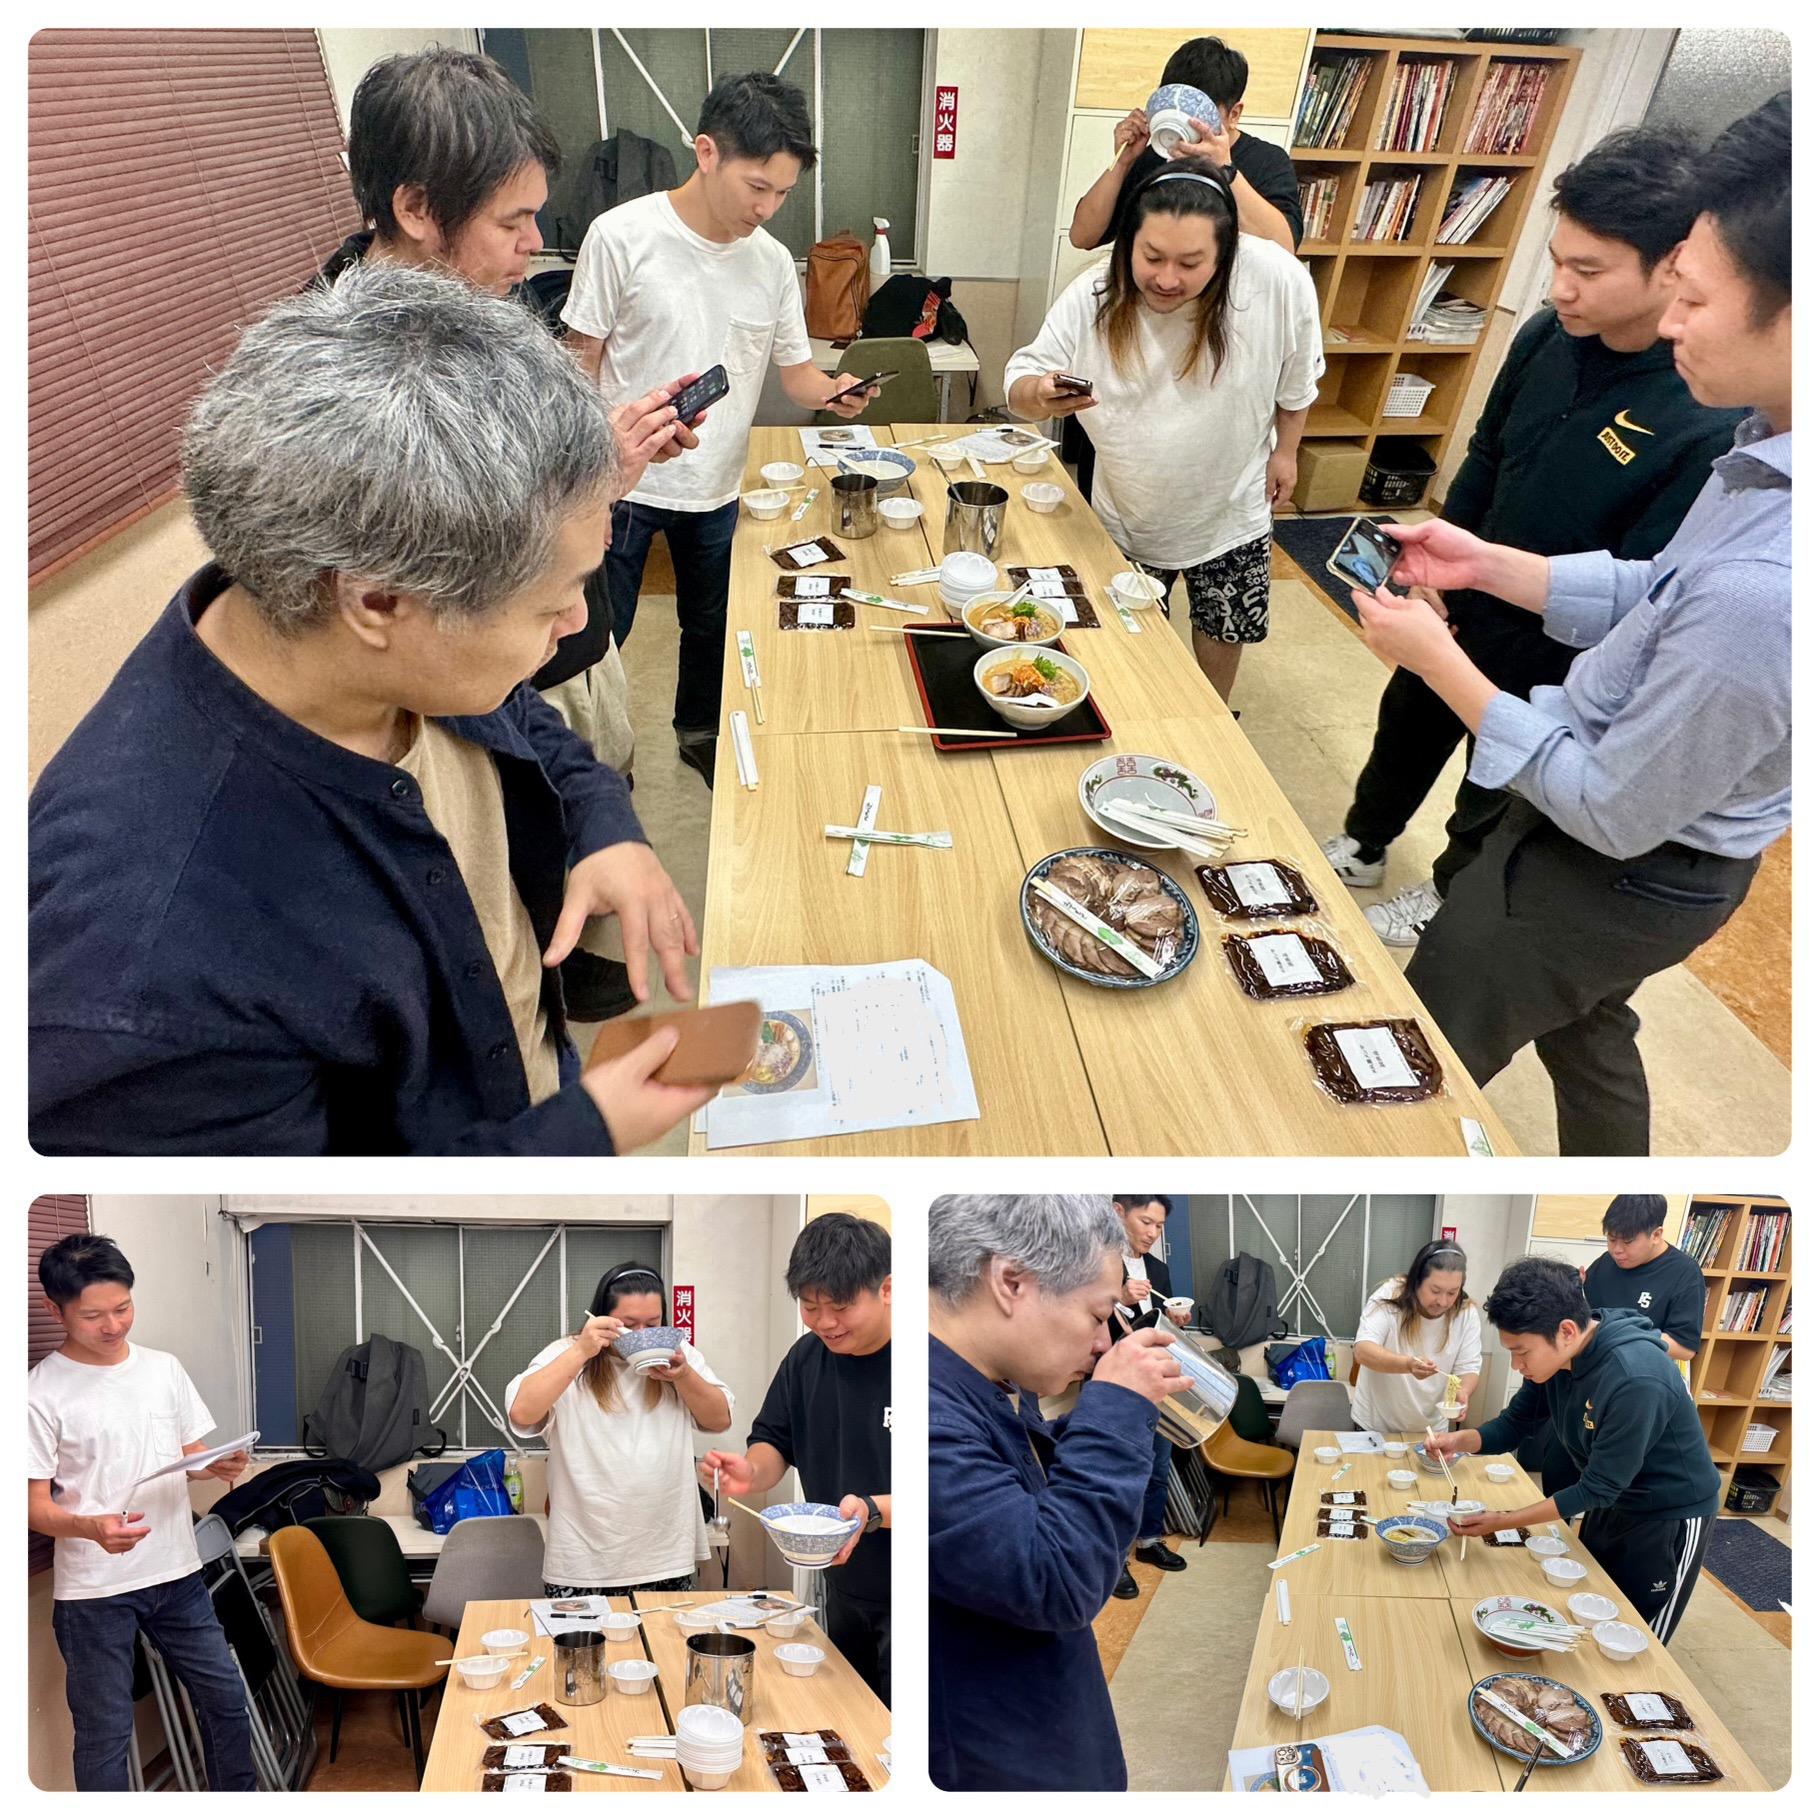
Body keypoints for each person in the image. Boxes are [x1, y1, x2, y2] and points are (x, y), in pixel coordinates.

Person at [30, 265, 713, 1156]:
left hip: (519, 1070)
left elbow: (522, 722)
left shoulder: (364, 639)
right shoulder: (146, 975)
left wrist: (604, 822)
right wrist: (590, 1128)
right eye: (553, 604)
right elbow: (364, 1185)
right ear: (378, 602)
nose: (578, 622)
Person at [1352, 94, 1791, 1156]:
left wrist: (1444, 664)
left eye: (1691, 296)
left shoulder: (1767, 584)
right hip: (1626, 831)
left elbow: (1607, 807)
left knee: (1412, 1055)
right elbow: (1657, 595)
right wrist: (1489, 562)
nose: (1674, 323)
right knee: (1588, 1022)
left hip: (1615, 861)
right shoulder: (1760, 448)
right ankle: (1616, 1182)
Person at [321, 45, 704, 1021]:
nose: (536, 242)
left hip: (569, 636)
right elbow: (430, 591)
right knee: (515, 887)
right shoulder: (346, 375)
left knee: (595, 794)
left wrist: (606, 466)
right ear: (415, 208)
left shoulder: (480, 307)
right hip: (495, 683)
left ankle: (580, 960)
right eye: (513, 220)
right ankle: (555, 982)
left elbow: (523, 492)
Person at [1321, 128, 1747, 946]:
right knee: (1405, 725)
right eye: (1556, 261)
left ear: (1672, 267)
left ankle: (1446, 892)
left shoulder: (1703, 410)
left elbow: (1644, 587)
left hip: (1558, 645)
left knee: (1500, 776)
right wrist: (1441, 567)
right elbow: (1485, 452)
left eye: (1586, 271)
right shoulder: (1547, 336)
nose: (1558, 289)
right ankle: (1364, 842)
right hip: (1463, 584)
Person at [562, 72, 877, 788]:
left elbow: (795, 376)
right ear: (705, 152)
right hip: (623, 478)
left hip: (714, 484)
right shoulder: (621, 236)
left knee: (709, 626)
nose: (767, 209)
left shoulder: (768, 262)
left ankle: (696, 731)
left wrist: (836, 393)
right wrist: (588, 467)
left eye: (783, 194)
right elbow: (577, 369)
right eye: (756, 186)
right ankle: (597, 763)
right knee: (597, 636)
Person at [1007, 158, 1321, 700]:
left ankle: (1214, 723)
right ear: (1129, 241)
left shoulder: (1276, 279)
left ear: (1226, 255)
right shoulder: (1095, 293)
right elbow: (1018, 383)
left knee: (1221, 636)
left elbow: (1299, 380)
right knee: (1127, 655)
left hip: (1231, 509)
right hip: (1127, 511)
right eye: (1151, 257)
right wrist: (1039, 393)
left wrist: (1286, 451)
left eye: (1190, 262)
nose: (1166, 279)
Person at [929, 1194, 1190, 1792]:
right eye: (1098, 1315)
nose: (1103, 1341)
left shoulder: (986, 1386)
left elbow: (1033, 1505)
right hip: (997, 1759)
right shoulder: (931, 1415)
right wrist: (1116, 1406)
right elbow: (1057, 1581)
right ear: (1011, 1282)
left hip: (1040, 1714)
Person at [27, 1234, 256, 1791]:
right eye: (94, 1316)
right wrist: (89, 1528)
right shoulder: (38, 1393)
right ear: (56, 1310)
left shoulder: (163, 1369)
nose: (113, 1326)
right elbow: (32, 1507)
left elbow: (184, 1459)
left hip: (177, 1574)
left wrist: (214, 1466)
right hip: (93, 1593)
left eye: (123, 1308)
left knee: (226, 1698)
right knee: (105, 1734)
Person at [1430, 1257, 1719, 1644]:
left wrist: (1503, 1520)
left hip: (1667, 1516)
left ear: (1566, 1331)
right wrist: (1458, 1442)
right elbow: (1515, 1425)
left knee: (1638, 1639)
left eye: (1521, 1352)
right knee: (1594, 1605)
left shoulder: (1635, 1377)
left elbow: (1598, 1487)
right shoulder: (1556, 1361)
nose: (1516, 1365)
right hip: (1611, 1500)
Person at [699, 1213, 891, 1702]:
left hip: (927, 1587)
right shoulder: (807, 1358)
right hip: (842, 1580)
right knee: (853, 1710)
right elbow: (773, 1441)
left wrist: (873, 1510)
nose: (825, 1322)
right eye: (810, 1306)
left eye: (841, 1306)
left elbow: (953, 1490)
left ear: (887, 1289)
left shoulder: (930, 1360)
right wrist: (750, 1472)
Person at [506, 1264, 732, 1596]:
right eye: (628, 1325)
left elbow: (720, 1419)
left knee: (662, 1649)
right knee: (584, 1650)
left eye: (652, 1324)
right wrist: (583, 1350)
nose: (641, 1333)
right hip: (582, 1563)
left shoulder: (679, 1357)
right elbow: (522, 1412)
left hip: (666, 1555)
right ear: (602, 1317)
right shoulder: (566, 1353)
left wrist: (683, 1376)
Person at [1069, 36, 1301, 255]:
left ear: (1234, 114)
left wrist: (1226, 170)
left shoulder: (1267, 160)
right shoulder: (1155, 156)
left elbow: (1284, 249)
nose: (1185, 119)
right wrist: (1122, 162)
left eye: (1198, 112)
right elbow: (1082, 237)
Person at [1106, 1195, 1184, 1599]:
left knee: (1157, 1468)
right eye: (1146, 1222)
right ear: (1119, 1212)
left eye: (1159, 1227)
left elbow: (1160, 1321)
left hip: (1157, 1381)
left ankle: (1149, 1542)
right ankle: (1114, 1559)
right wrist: (1117, 1294)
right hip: (1117, 1386)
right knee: (1119, 1475)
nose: (1153, 1233)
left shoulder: (1159, 1269)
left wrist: (1176, 1318)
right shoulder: (1097, 1260)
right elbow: (1084, 1315)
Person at [1349, 1239, 1482, 1436]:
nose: (1443, 1301)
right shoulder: (1391, 1295)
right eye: (1435, 1291)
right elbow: (1363, 1350)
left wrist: (1462, 1393)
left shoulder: (1465, 1312)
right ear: (1416, 1281)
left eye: (1452, 1292)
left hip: (1431, 1429)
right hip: (1375, 1425)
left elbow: (1469, 1368)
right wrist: (1408, 1365)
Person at [1584, 1195, 1705, 1362]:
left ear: (1656, 1235)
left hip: (1640, 1371)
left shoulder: (1685, 1273)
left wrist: (1619, 1334)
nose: (1616, 1250)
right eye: (1611, 1239)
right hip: (1595, 1365)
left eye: (1628, 1241)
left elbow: (1684, 1349)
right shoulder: (1606, 1262)